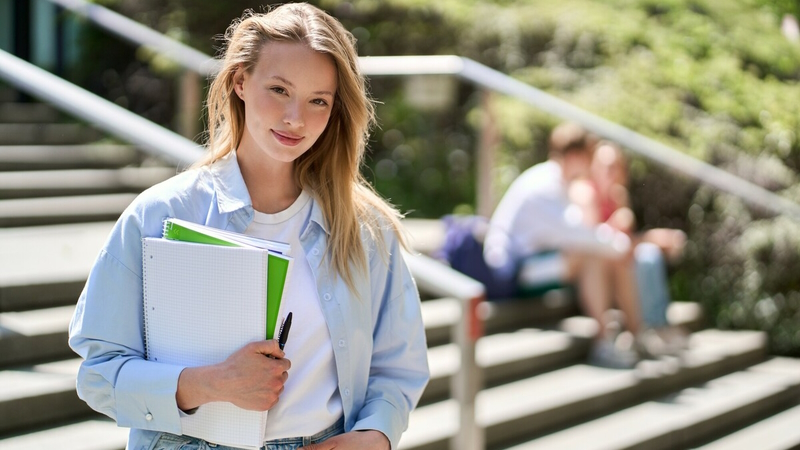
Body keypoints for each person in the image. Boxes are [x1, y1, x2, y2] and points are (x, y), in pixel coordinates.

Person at [68, 4, 429, 450]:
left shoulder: (366, 230)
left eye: (318, 100)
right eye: (279, 89)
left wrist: (375, 435)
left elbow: (399, 367)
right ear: (240, 81)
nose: (296, 118)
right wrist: (210, 383)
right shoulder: (160, 215)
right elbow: (98, 374)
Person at [483, 122, 642, 368]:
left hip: (536, 262)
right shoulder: (543, 186)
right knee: (592, 256)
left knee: (598, 254)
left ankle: (632, 333)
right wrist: (621, 245)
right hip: (514, 272)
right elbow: (579, 235)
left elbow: (578, 232)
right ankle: (606, 339)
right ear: (576, 156)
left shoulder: (555, 181)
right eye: (589, 158)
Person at [573, 140, 687, 355]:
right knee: (644, 259)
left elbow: (626, 242)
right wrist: (624, 227)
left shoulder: (618, 196)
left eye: (615, 166)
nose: (610, 171)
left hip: (618, 256)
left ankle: (656, 325)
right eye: (605, 165)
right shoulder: (585, 193)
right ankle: (648, 328)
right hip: (596, 264)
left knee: (649, 255)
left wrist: (655, 239)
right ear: (593, 166)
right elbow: (592, 240)